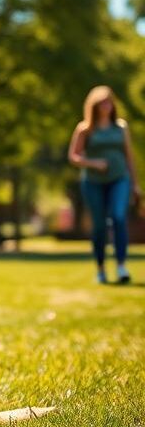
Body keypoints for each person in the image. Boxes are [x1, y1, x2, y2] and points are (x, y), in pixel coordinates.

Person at [68, 85, 139, 284]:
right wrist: (94, 163)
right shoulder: (85, 129)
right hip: (93, 182)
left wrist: (135, 184)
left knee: (118, 217)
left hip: (119, 178)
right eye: (102, 102)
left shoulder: (121, 127)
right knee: (99, 226)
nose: (107, 105)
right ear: (94, 105)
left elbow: (129, 157)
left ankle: (121, 266)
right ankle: (100, 269)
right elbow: (73, 156)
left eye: (109, 101)